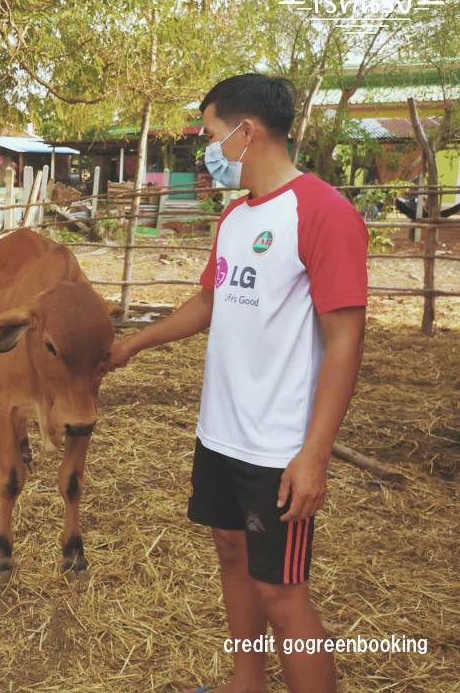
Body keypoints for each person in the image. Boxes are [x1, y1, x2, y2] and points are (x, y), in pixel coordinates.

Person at [108, 74, 367, 693]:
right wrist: (131, 347)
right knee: (230, 553)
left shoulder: (324, 213)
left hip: (279, 448)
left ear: (247, 132)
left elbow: (345, 342)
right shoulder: (235, 218)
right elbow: (210, 301)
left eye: (212, 133)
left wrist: (315, 454)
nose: (209, 147)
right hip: (220, 432)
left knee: (281, 591)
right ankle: (245, 682)